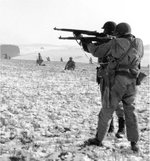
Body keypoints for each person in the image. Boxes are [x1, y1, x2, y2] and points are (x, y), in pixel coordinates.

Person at [82, 22, 144, 152]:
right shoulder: (139, 43)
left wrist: (87, 43)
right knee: (131, 112)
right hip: (132, 81)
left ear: (119, 32)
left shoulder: (116, 42)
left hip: (117, 81)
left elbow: (97, 51)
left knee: (106, 111)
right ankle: (134, 143)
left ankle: (98, 139)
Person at [82, 21, 125, 138]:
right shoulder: (107, 40)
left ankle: (121, 127)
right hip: (104, 74)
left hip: (113, 74)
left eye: (105, 30)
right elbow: (92, 49)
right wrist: (83, 40)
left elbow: (97, 50)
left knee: (117, 102)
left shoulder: (116, 41)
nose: (104, 32)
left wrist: (90, 43)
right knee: (105, 101)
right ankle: (110, 127)